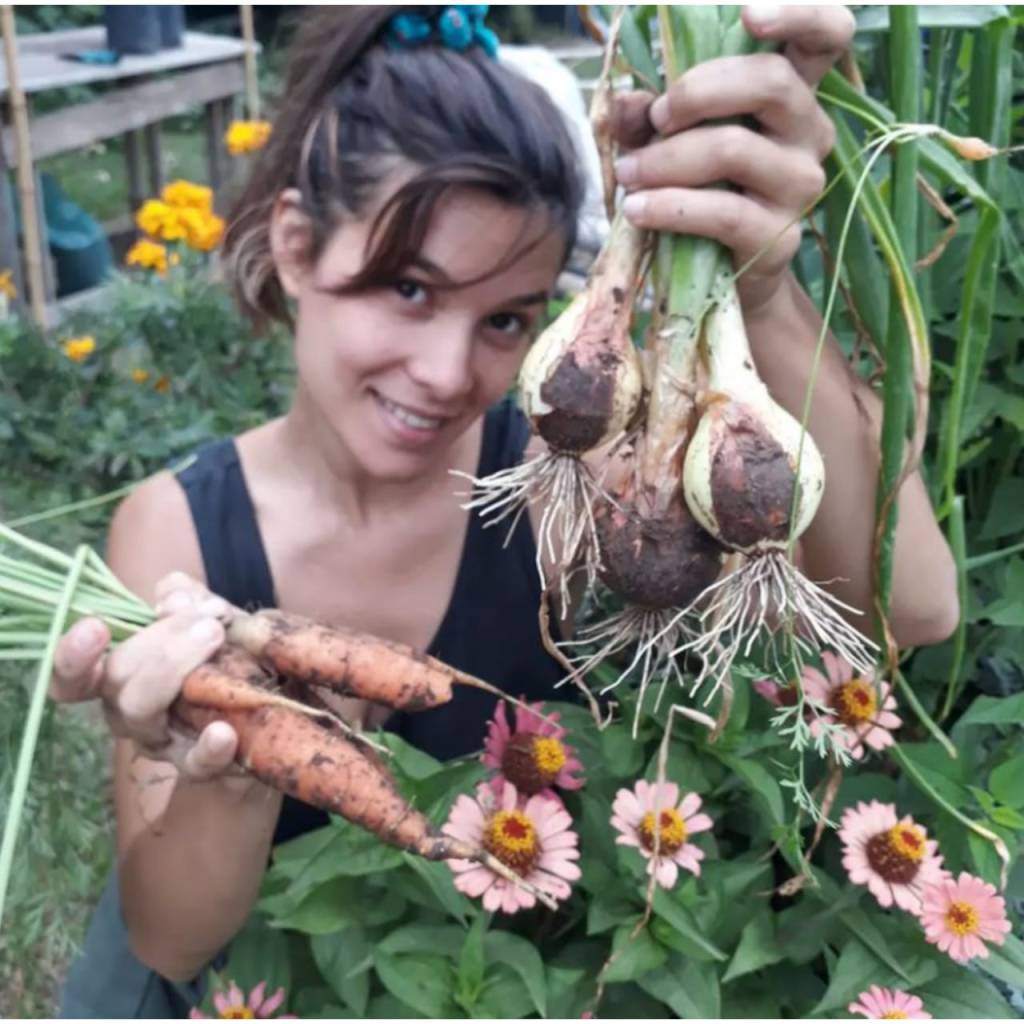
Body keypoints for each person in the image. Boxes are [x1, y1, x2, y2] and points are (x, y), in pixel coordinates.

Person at [51, 5, 958, 1017]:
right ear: (298, 246)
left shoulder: (547, 474)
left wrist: (763, 284)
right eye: (406, 287)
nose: (446, 374)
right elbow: (173, 938)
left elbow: (911, 612)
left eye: (508, 320)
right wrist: (230, 768)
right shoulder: (173, 534)